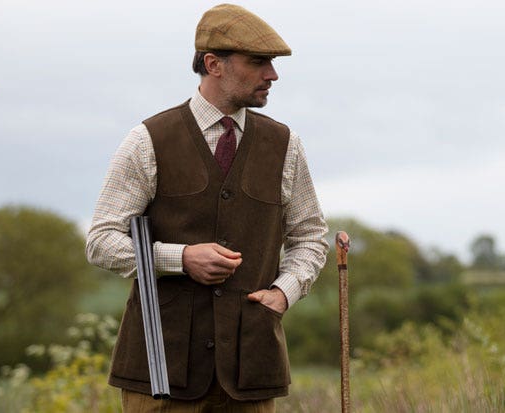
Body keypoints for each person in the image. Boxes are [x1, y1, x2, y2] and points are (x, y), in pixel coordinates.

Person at [85, 4, 329, 412]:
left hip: (251, 366)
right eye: (258, 62)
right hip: (160, 367)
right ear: (213, 64)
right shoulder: (147, 140)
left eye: (271, 63)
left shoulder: (286, 145)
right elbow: (101, 240)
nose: (272, 75)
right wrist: (179, 258)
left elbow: (311, 238)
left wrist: (283, 293)